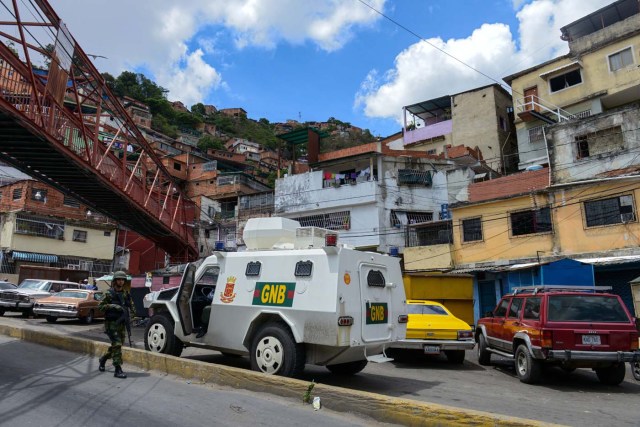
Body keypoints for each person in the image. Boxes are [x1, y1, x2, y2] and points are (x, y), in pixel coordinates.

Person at [97, 271, 136, 378]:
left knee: (117, 345)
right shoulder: (108, 293)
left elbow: (132, 306)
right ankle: (117, 369)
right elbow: (100, 306)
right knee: (117, 344)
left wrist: (132, 316)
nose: (121, 281)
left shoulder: (125, 294)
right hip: (111, 323)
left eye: (123, 280)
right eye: (119, 279)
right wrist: (112, 306)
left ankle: (103, 359)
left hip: (122, 323)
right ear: (114, 281)